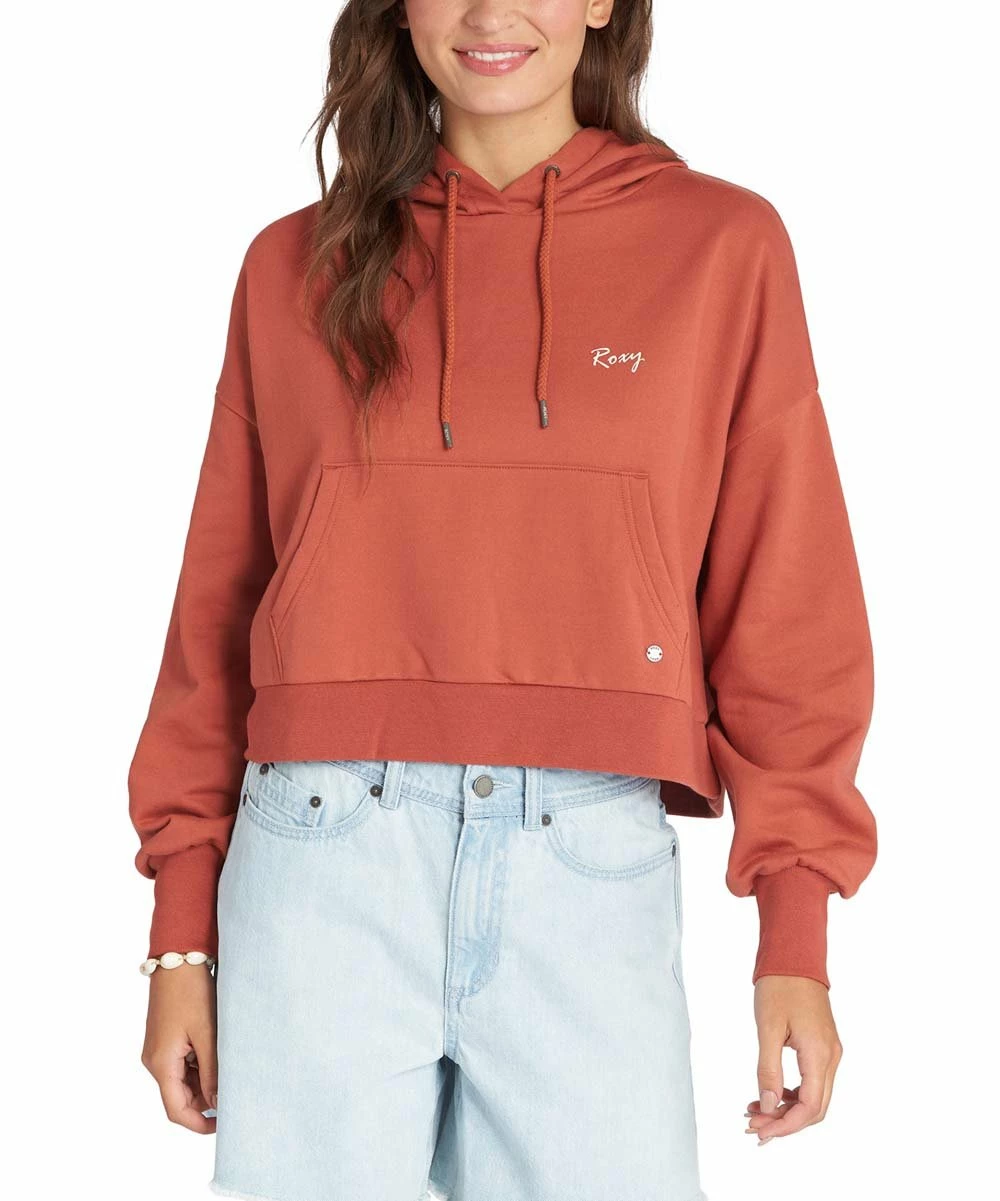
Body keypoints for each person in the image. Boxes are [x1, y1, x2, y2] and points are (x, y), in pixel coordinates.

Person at [129, 2, 877, 1198]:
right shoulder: (295, 262)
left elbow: (787, 601)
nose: (488, 13)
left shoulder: (721, 246)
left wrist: (795, 930)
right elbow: (216, 610)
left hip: (587, 856)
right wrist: (180, 936)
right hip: (320, 855)